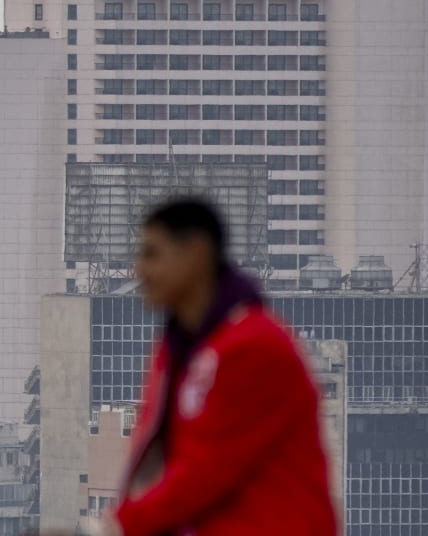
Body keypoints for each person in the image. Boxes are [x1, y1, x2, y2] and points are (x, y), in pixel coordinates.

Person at [76, 196, 338, 536]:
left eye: (152, 254)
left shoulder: (256, 346)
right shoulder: (173, 351)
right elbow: (157, 468)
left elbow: (206, 471)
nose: (139, 270)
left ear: (196, 254)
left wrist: (115, 528)